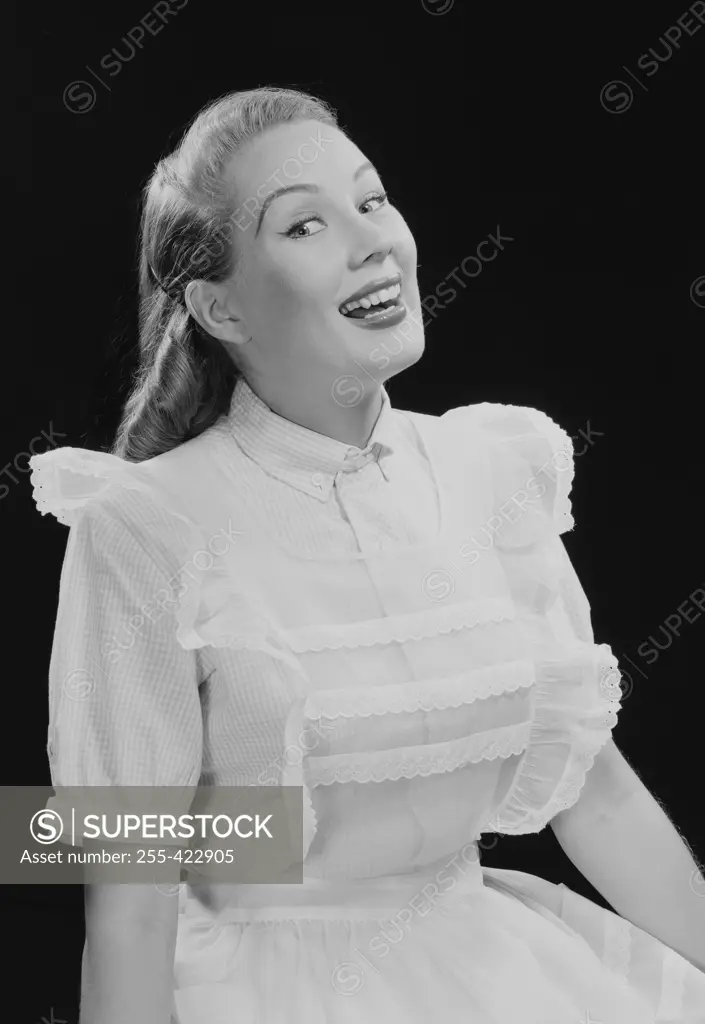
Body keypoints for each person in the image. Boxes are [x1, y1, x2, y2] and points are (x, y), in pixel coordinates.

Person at [29, 86, 705, 1024]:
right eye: (304, 225)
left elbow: (598, 798)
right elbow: (130, 907)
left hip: (501, 975)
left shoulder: (492, 471)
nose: (371, 240)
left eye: (372, 201)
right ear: (219, 306)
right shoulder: (148, 525)